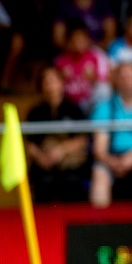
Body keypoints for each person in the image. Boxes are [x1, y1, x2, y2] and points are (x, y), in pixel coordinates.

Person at [89, 62, 132, 208]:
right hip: (110, 157)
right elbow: (99, 149)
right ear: (116, 80)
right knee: (99, 175)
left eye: (130, 77)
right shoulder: (104, 107)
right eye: (123, 77)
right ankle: (99, 220)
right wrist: (113, 162)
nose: (126, 81)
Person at [26, 65, 90, 203]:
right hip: (43, 161)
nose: (50, 86)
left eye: (53, 81)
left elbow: (82, 139)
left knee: (72, 180)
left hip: (69, 161)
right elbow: (30, 144)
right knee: (44, 181)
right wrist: (41, 158)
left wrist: (61, 151)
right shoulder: (35, 112)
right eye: (46, 82)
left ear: (61, 83)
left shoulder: (73, 108)